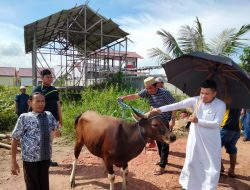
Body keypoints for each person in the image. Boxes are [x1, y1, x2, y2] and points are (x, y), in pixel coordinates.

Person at [151, 80, 226, 190]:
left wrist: (198, 121)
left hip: (211, 140)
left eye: (207, 94)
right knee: (191, 161)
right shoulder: (196, 100)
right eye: (202, 93)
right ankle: (188, 185)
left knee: (210, 166)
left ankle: (208, 187)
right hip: (195, 138)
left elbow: (216, 124)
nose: (203, 96)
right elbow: (177, 104)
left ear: (214, 93)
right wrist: (160, 109)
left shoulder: (220, 105)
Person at [119, 76, 176, 175]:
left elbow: (175, 104)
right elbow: (135, 96)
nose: (149, 91)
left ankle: (162, 166)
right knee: (158, 140)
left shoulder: (164, 93)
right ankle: (162, 160)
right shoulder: (147, 91)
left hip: (164, 120)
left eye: (151, 88)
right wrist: (123, 98)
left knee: (164, 143)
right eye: (147, 89)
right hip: (154, 119)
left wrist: (173, 119)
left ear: (156, 85)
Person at [11, 92, 59, 190]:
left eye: (43, 101)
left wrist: (57, 132)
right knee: (32, 187)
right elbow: (15, 138)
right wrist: (13, 161)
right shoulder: (24, 117)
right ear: (30, 102)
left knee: (44, 186)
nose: (41, 104)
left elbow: (56, 129)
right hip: (30, 160)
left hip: (45, 158)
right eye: (37, 101)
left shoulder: (49, 115)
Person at [32, 69, 62, 166]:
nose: (50, 79)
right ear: (42, 78)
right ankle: (38, 159)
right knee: (39, 140)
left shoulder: (54, 89)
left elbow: (58, 104)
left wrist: (60, 118)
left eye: (51, 77)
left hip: (53, 119)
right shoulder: (38, 90)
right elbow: (32, 105)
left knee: (49, 140)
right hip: (40, 119)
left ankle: (47, 160)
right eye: (47, 77)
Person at [220, 108, 241, 178]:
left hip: (226, 126)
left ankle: (220, 167)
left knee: (215, 148)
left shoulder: (228, 101)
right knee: (232, 148)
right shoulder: (241, 101)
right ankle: (232, 171)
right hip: (237, 128)